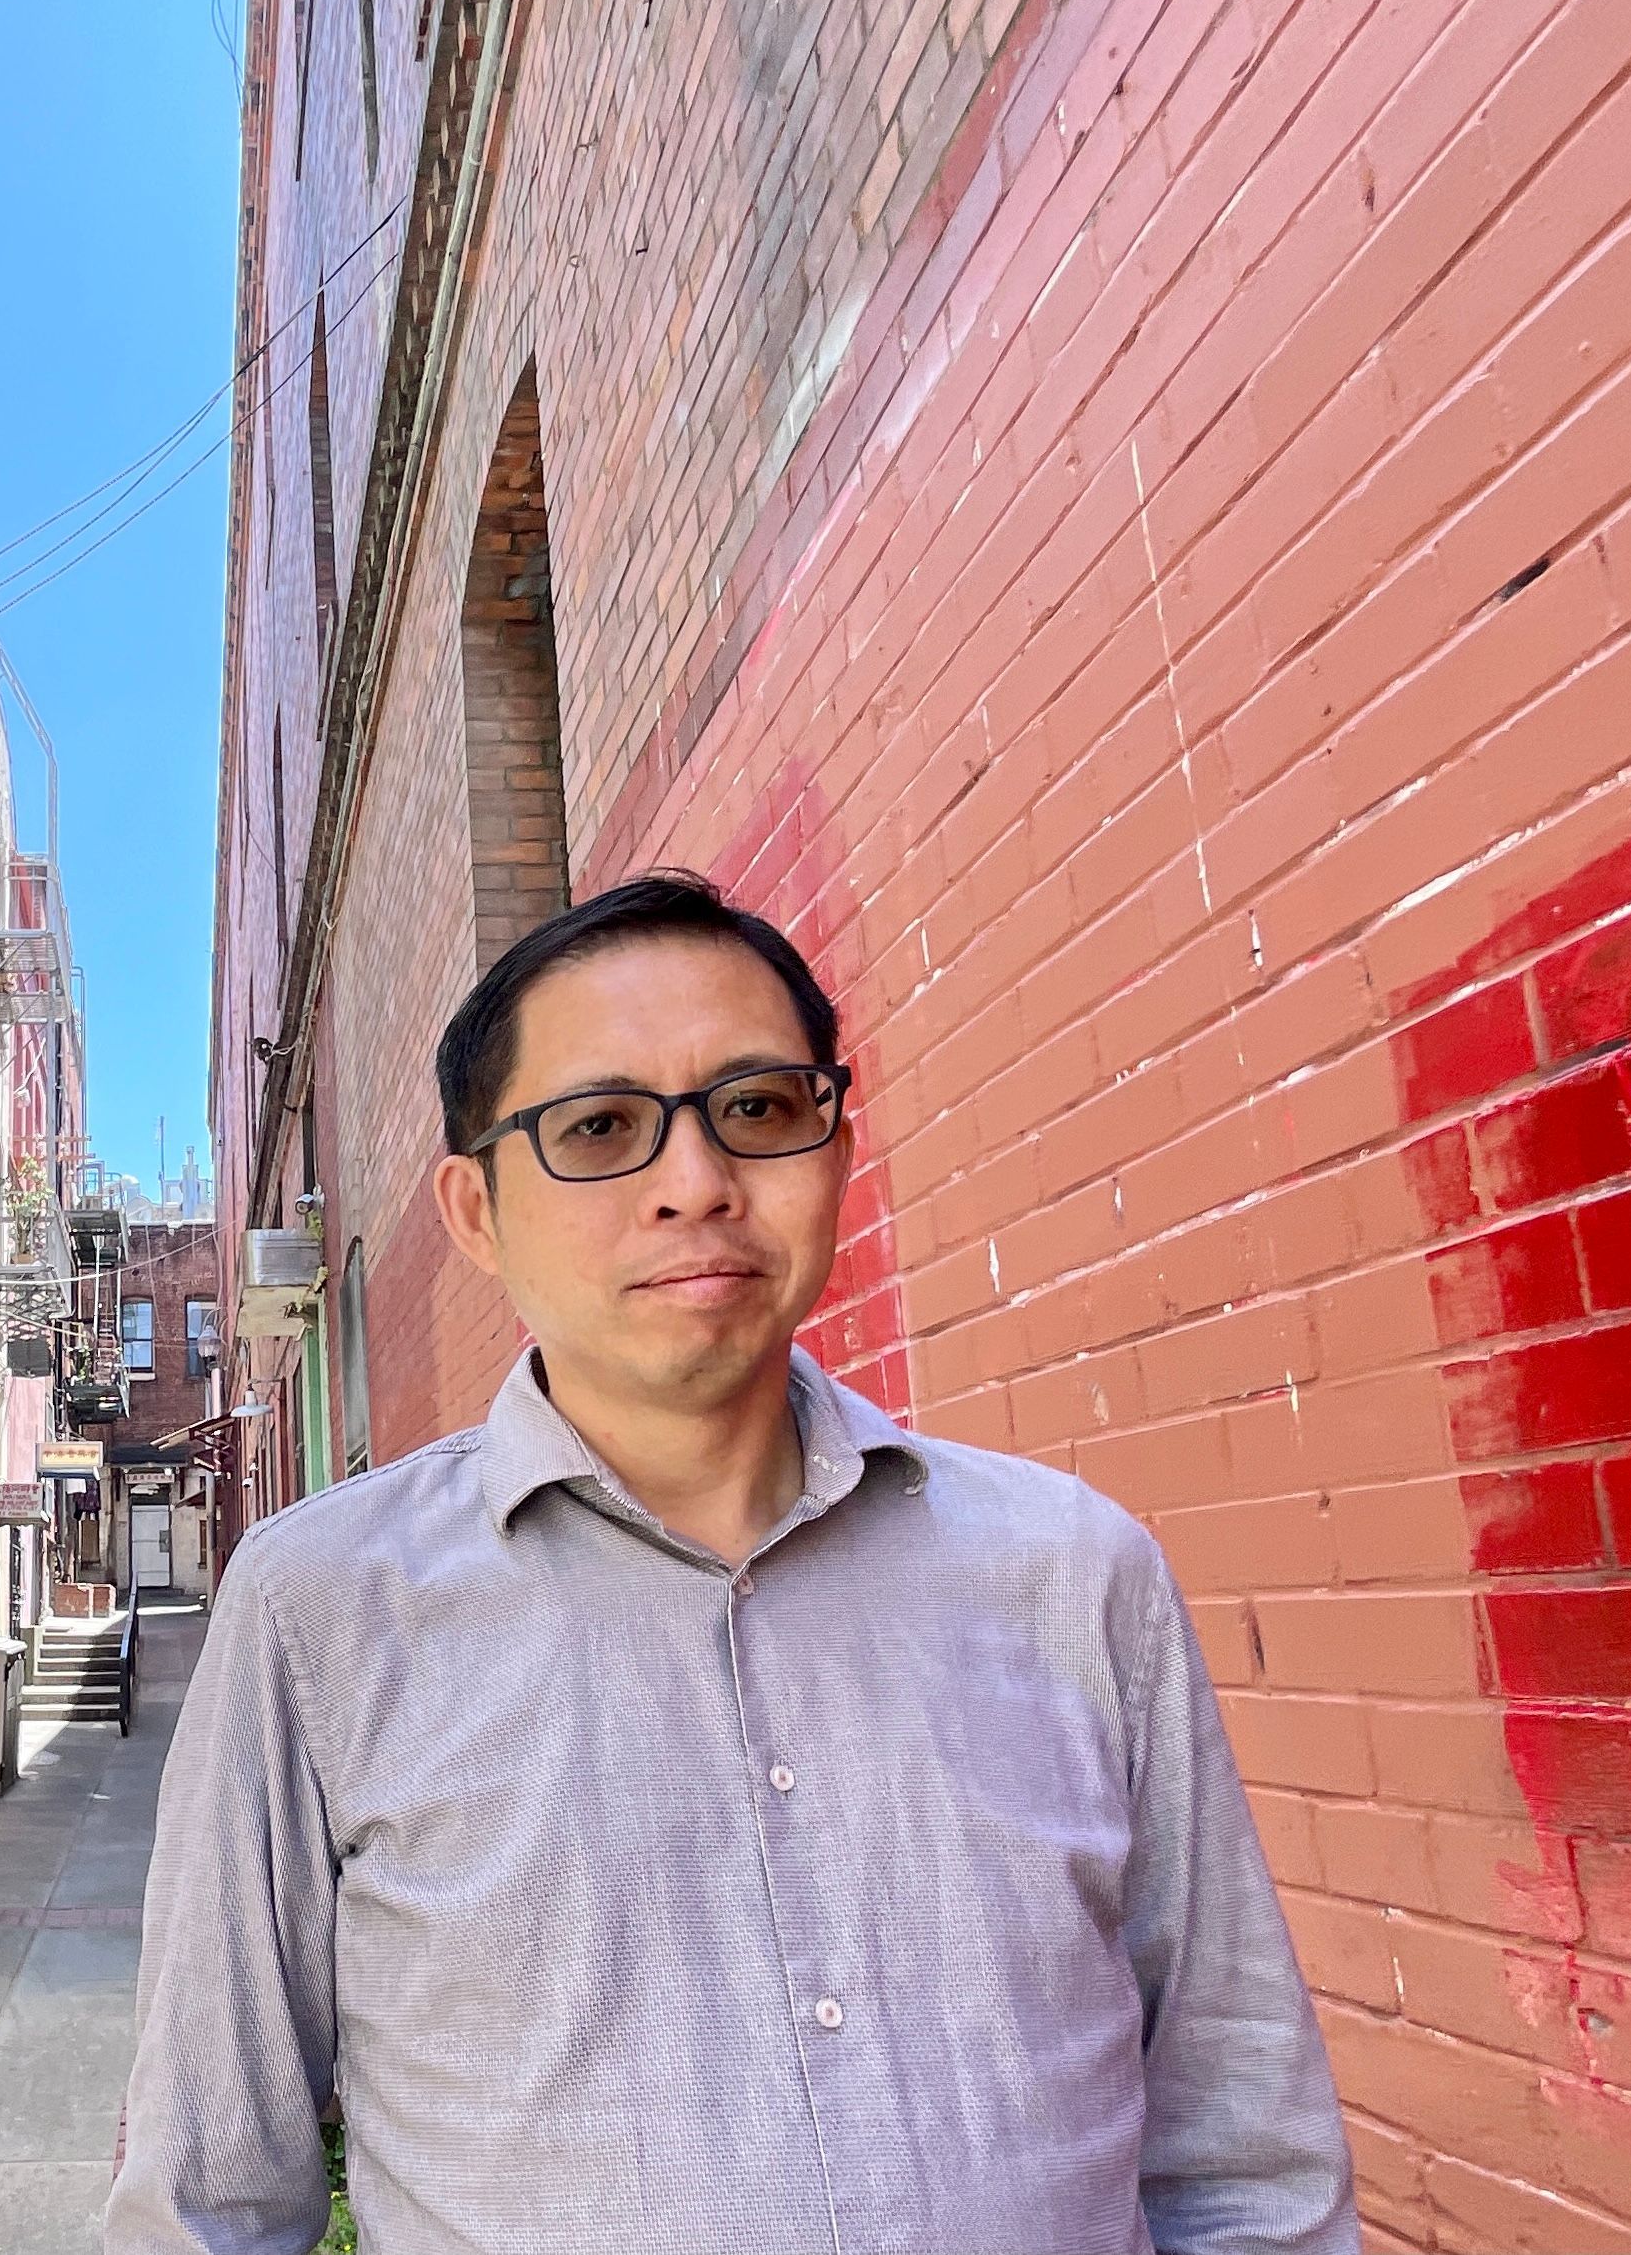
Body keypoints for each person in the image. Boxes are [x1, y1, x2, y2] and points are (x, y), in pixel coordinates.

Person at [108, 873, 1353, 2255]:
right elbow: (205, 2207)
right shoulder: (319, 1614)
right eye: (601, 1129)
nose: (695, 1184)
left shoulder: (1076, 1580)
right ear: (474, 1213)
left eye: (758, 1109)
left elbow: (1246, 2162)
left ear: (833, 1147)